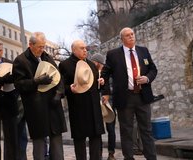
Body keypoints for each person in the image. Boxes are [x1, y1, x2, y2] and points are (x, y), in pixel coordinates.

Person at [101, 27, 157, 160]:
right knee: (126, 131)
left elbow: (153, 69)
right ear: (122, 39)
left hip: (143, 96)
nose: (131, 36)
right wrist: (106, 93)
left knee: (147, 130)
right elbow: (105, 74)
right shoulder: (113, 54)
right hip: (124, 98)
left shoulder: (143, 51)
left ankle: (152, 158)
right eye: (127, 35)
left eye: (132, 34)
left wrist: (147, 78)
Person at [12, 32, 67, 160]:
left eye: (43, 46)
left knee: (57, 141)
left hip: (53, 104)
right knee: (39, 143)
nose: (42, 50)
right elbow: (19, 84)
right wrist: (36, 81)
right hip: (35, 107)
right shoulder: (20, 60)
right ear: (30, 45)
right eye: (39, 47)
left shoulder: (47, 57)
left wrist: (59, 94)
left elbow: (59, 78)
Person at [59, 40, 105, 160]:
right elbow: (60, 87)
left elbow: (96, 87)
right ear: (74, 50)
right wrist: (69, 89)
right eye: (81, 48)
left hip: (94, 108)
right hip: (78, 108)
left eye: (85, 48)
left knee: (95, 138)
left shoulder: (91, 64)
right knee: (80, 141)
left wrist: (101, 83)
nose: (85, 50)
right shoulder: (65, 65)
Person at [90, 53, 117, 160]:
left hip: (109, 104)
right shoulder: (92, 73)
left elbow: (113, 86)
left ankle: (111, 153)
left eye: (93, 62)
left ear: (97, 62)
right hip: (96, 106)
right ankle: (99, 153)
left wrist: (107, 95)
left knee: (111, 129)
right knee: (98, 130)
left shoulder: (109, 72)